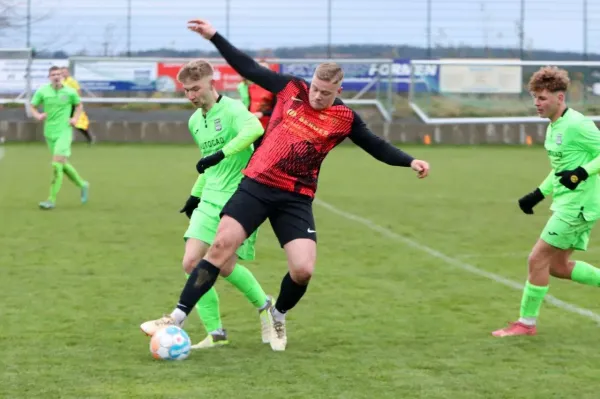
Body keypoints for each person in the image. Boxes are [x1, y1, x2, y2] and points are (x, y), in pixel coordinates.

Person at [141, 19, 430, 352]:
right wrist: (214, 37)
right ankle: (175, 318)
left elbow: (375, 145)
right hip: (256, 185)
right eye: (316, 88)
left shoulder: (345, 118)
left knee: (303, 270)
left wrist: (409, 160)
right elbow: (248, 67)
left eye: (326, 92)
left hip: (295, 197)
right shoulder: (291, 89)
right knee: (219, 247)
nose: (318, 96)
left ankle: (276, 314)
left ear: (339, 89)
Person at [158, 59, 273, 348]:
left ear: (212, 83)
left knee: (223, 265)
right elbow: (207, 165)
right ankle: (216, 333)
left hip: (239, 197)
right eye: (186, 91)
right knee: (191, 262)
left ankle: (264, 305)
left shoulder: (233, 109)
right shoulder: (195, 121)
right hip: (209, 196)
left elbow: (254, 130)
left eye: (195, 89)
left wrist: (221, 154)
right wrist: (195, 194)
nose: (191, 96)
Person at [493, 66, 600, 337]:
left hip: (578, 206)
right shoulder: (554, 127)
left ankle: (526, 324)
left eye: (542, 98)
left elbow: (578, 169)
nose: (536, 104)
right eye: (535, 98)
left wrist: (582, 173)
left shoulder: (578, 124)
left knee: (537, 259)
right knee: (558, 267)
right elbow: (560, 168)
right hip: (567, 203)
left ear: (560, 98)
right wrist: (538, 194)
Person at [29, 66, 90, 210]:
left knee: (56, 164)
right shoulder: (43, 91)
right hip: (49, 132)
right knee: (62, 164)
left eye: (58, 74)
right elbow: (32, 106)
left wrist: (75, 118)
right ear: (49, 77)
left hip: (64, 132)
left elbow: (79, 105)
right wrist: (38, 115)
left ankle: (51, 199)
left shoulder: (69, 91)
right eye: (53, 74)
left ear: (62, 76)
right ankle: (82, 185)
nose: (56, 76)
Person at [60, 67, 95, 144]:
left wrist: (77, 102)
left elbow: (78, 91)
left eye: (64, 72)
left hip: (73, 104)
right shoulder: (61, 82)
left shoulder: (72, 81)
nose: (63, 74)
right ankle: (66, 139)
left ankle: (89, 138)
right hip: (65, 105)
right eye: (62, 72)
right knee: (64, 123)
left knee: (77, 123)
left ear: (68, 72)